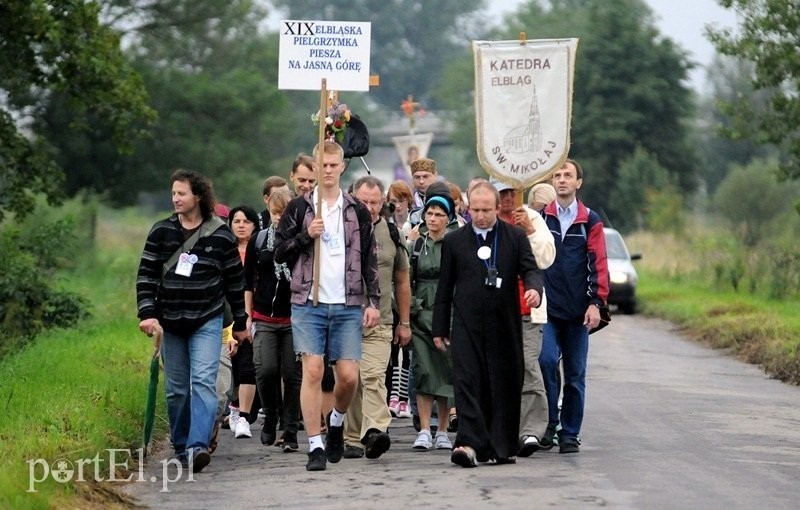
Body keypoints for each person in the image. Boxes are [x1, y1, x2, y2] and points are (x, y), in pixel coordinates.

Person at [274, 141, 380, 471]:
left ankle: (336, 421)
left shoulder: (355, 210)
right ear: (315, 167)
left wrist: (373, 301)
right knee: (314, 370)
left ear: (342, 167)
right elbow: (278, 252)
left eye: (334, 165)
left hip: (347, 302)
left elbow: (370, 259)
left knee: (348, 376)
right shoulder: (299, 208)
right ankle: (315, 444)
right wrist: (306, 235)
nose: (329, 170)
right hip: (309, 301)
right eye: (324, 165)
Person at [136, 169, 248, 473]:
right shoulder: (161, 232)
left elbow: (234, 284)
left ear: (197, 196)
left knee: (202, 382)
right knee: (176, 390)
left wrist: (240, 322)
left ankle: (198, 446)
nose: (175, 198)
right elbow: (146, 275)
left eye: (181, 193)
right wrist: (147, 313)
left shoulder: (221, 235)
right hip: (171, 321)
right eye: (173, 193)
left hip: (207, 320)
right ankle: (182, 443)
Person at [432, 181, 543, 467]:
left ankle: (500, 446)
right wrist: (439, 328)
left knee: (504, 383)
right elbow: (445, 287)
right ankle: (467, 444)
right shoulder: (455, 241)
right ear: (468, 209)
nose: (480, 216)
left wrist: (534, 290)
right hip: (467, 325)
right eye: (476, 210)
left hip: (504, 325)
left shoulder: (515, 237)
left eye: (486, 210)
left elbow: (531, 269)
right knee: (467, 383)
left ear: (497, 208)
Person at [539, 159, 609, 454]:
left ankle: (569, 433)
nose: (562, 179)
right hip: (548, 309)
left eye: (568, 175)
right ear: (552, 182)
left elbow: (599, 264)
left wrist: (596, 303)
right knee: (544, 361)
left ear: (579, 183)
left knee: (576, 374)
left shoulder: (590, 221)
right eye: (557, 175)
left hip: (579, 312)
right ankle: (550, 423)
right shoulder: (541, 218)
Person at [342, 176, 412, 459]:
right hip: (345, 319)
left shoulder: (393, 234)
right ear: (352, 199)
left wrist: (404, 322)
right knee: (351, 380)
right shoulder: (341, 231)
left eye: (374, 202)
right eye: (363, 202)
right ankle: (352, 437)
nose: (369, 207)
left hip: (380, 320)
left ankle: (374, 431)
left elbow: (402, 280)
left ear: (383, 202)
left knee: (372, 376)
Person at [491, 180, 556, 457]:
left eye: (511, 193)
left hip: (528, 310)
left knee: (529, 366)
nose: (507, 199)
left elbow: (545, 258)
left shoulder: (534, 218)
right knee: (499, 370)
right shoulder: (488, 220)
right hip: (496, 309)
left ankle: (531, 431)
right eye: (502, 193)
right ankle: (504, 428)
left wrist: (528, 230)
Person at [245, 188, 302, 453]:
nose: (279, 218)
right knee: (265, 369)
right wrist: (246, 315)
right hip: (264, 314)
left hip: (294, 317)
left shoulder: (300, 242)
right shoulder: (258, 240)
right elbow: (247, 281)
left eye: (285, 213)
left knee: (292, 374)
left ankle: (290, 429)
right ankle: (270, 414)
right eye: (275, 213)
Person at [408, 192, 460, 452]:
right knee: (424, 371)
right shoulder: (416, 245)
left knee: (445, 372)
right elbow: (404, 280)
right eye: (429, 213)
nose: (433, 219)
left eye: (439, 214)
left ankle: (442, 430)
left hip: (447, 315)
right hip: (420, 313)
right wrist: (410, 308)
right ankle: (424, 430)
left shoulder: (455, 243)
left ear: (448, 218)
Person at [226, 205, 260, 440]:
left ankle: (244, 415)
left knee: (250, 365)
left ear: (255, 225)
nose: (240, 225)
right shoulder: (224, 251)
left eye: (246, 221)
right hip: (227, 316)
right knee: (232, 365)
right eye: (236, 221)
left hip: (257, 315)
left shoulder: (260, 250)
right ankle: (232, 408)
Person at [408, 158, 439, 227]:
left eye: (425, 177)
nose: (421, 181)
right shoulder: (408, 201)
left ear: (435, 175)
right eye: (417, 177)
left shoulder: (446, 199)